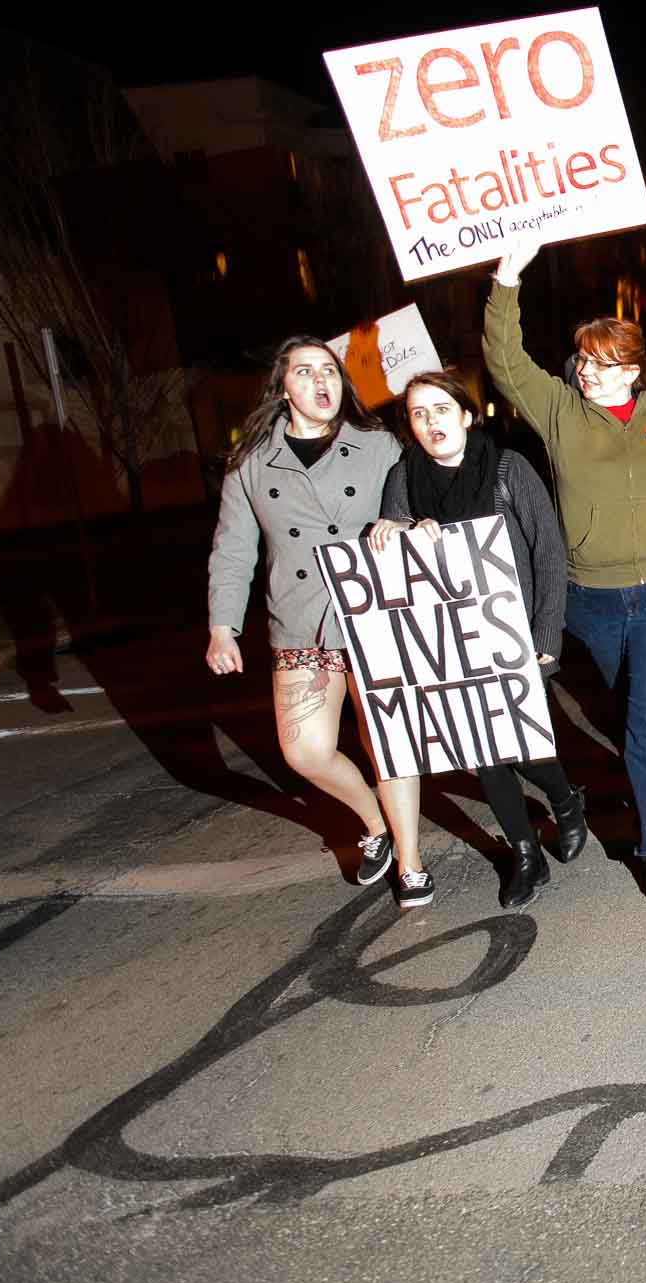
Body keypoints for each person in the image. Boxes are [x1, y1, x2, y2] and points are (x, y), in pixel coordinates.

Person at [487, 235, 646, 902]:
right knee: (629, 716)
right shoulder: (558, 412)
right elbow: (503, 357)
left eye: (602, 364)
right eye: (582, 360)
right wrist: (506, 279)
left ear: (632, 369)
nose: (587, 371)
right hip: (595, 599)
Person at [206, 338, 422, 904]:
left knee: (388, 745)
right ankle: (376, 823)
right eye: (306, 372)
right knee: (303, 750)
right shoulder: (252, 463)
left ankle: (412, 861)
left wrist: (402, 523)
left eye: (330, 370)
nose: (322, 381)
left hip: (376, 613)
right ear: (284, 388)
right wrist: (223, 626)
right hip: (303, 622)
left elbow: (415, 502)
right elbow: (234, 548)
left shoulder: (378, 446)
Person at [371, 372, 581, 908]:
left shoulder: (509, 468)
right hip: (452, 645)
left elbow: (549, 551)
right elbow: (391, 557)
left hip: (516, 632)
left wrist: (546, 630)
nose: (431, 421)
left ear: (466, 416)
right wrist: (395, 533)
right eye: (419, 413)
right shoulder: (404, 478)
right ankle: (526, 854)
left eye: (442, 409)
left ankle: (563, 796)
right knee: (482, 748)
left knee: (525, 743)